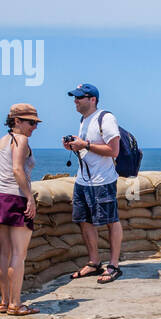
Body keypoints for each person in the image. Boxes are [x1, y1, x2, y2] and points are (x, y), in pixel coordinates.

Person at [63, 83, 124, 283]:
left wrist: (85, 144)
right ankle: (94, 262)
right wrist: (74, 146)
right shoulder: (84, 120)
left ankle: (114, 265)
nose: (75, 101)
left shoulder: (106, 118)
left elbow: (113, 150)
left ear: (92, 99)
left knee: (110, 220)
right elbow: (88, 149)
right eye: (75, 97)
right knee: (84, 220)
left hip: (102, 181)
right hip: (83, 180)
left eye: (79, 97)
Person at [0, 103, 40, 315]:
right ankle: (16, 304)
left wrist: (3, 193)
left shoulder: (0, 141)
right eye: (31, 122)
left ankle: (4, 302)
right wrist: (29, 199)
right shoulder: (21, 140)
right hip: (16, 198)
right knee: (19, 254)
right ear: (17, 121)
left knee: (4, 253)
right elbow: (18, 169)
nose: (34, 127)